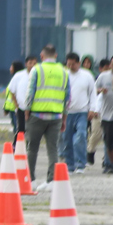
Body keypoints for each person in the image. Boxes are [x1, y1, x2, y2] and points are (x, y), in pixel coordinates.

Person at [24, 45, 69, 192]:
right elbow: (68, 98)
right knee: (53, 149)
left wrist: (27, 110)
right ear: (55, 56)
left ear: (42, 56)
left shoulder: (36, 69)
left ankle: (31, 180)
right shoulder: (64, 72)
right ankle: (52, 181)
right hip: (56, 116)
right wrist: (64, 117)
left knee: (32, 148)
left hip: (37, 115)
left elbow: (30, 92)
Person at [63, 52, 95, 176]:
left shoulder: (87, 76)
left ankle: (80, 164)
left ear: (78, 63)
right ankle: (70, 165)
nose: (70, 66)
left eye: (73, 64)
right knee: (67, 139)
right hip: (67, 112)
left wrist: (93, 109)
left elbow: (92, 93)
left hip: (82, 112)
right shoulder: (64, 75)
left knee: (80, 136)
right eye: (68, 64)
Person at [87, 58, 108, 166]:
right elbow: (92, 93)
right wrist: (94, 109)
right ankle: (90, 152)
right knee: (96, 134)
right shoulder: (98, 78)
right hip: (98, 111)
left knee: (109, 136)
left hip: (109, 112)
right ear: (100, 69)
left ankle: (107, 159)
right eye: (105, 68)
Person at [3, 60, 24, 130]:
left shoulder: (18, 79)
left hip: (16, 109)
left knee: (18, 130)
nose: (10, 69)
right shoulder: (14, 79)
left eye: (11, 67)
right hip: (12, 109)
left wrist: (17, 108)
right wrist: (6, 108)